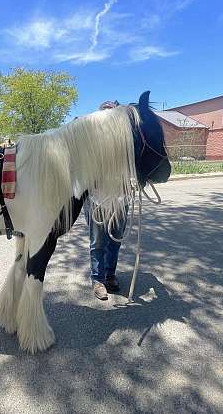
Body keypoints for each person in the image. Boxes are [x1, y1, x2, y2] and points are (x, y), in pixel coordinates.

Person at [84, 100, 129, 301]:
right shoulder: (90, 141)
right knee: (98, 242)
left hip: (120, 198)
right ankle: (98, 280)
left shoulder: (124, 141)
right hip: (97, 199)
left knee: (115, 241)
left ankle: (110, 275)